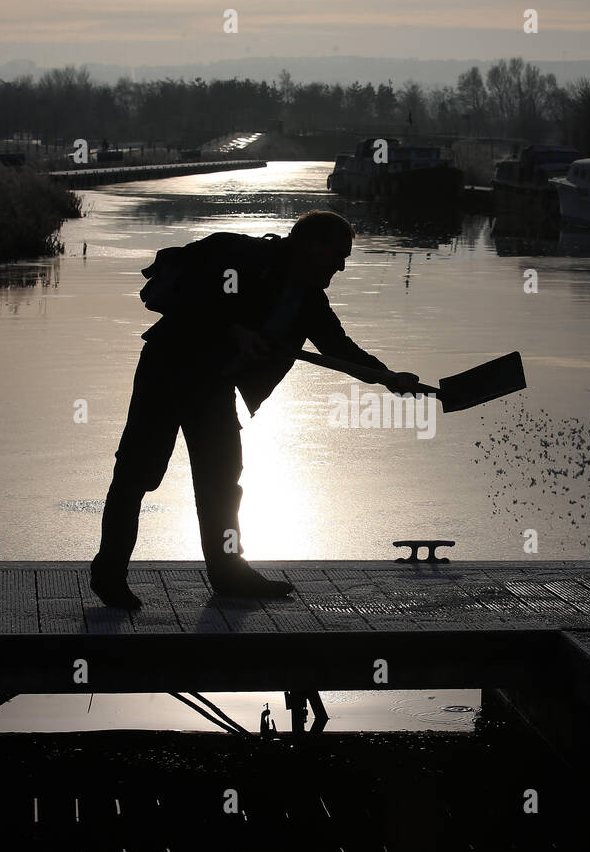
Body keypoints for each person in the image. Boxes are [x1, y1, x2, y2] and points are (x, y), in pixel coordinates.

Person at [90, 210, 420, 608]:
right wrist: (234, 331)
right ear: (310, 246)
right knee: (137, 474)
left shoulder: (309, 299)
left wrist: (388, 377)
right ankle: (109, 575)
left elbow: (338, 348)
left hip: (212, 388)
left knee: (221, 482)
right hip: (168, 370)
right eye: (338, 254)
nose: (341, 265)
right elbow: (192, 293)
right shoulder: (242, 257)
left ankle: (229, 574)